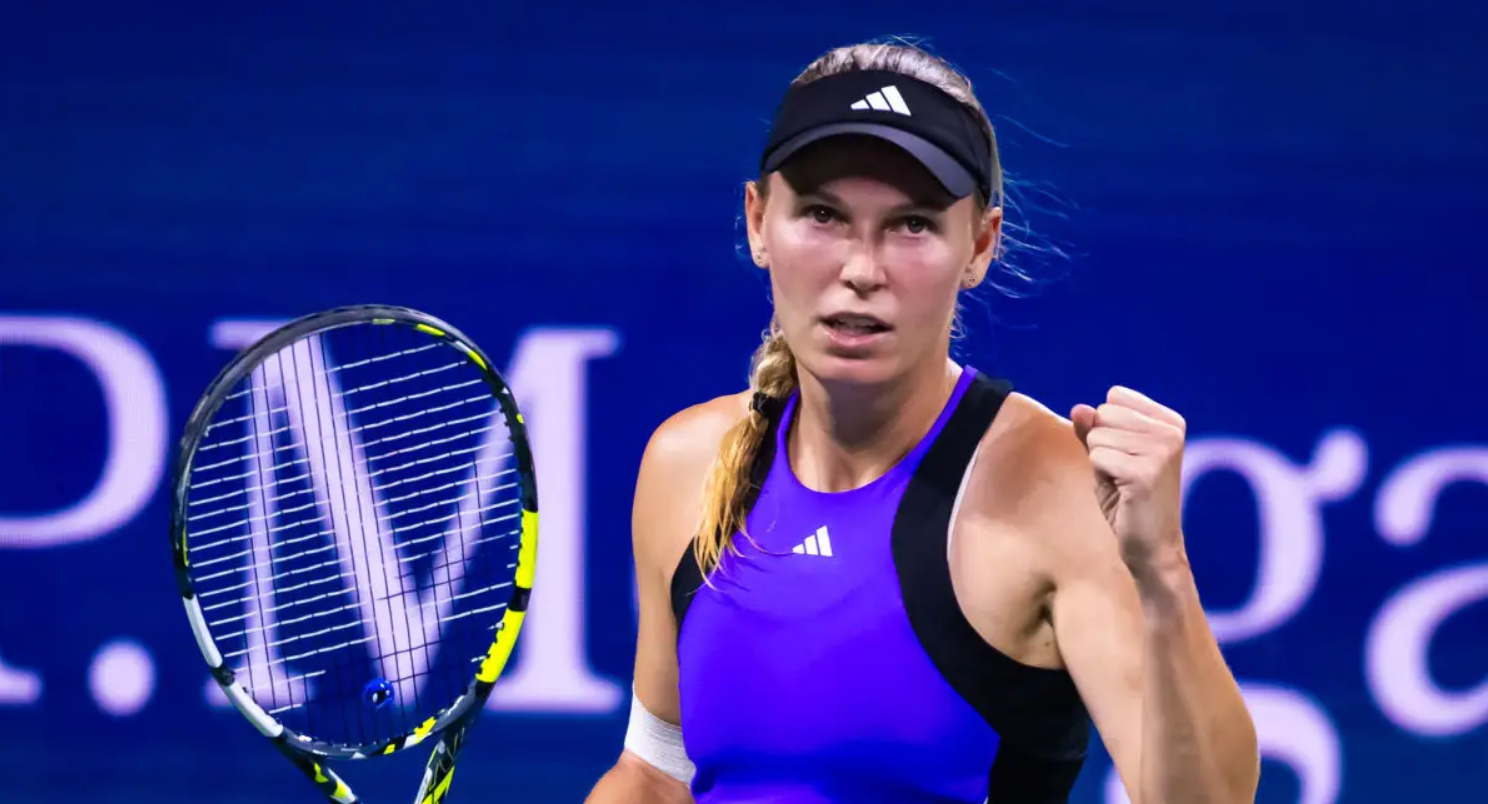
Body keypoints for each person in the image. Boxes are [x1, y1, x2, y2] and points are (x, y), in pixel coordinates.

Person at [585, 40, 1259, 804]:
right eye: (822, 214)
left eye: (911, 225)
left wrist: (1162, 571)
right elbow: (654, 773)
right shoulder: (689, 464)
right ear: (756, 222)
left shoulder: (1056, 493)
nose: (863, 269)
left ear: (980, 245)